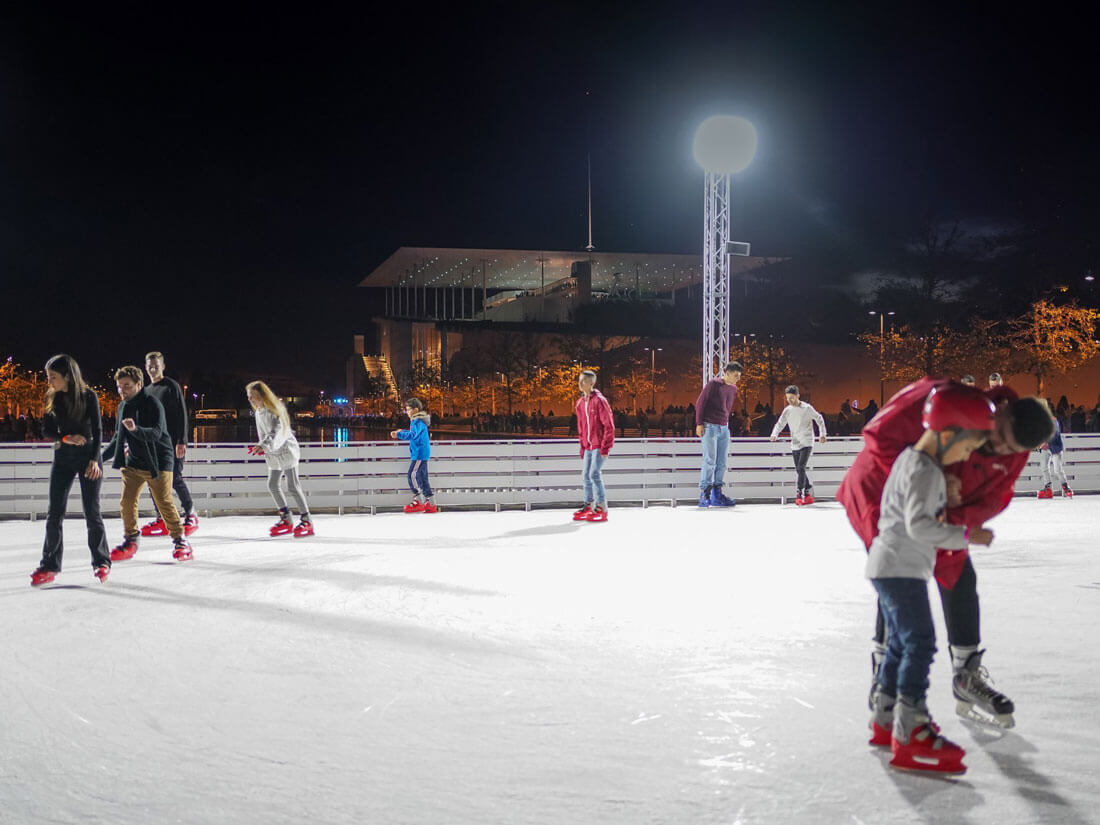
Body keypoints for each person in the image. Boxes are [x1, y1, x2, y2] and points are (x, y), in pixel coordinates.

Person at [838, 376, 1054, 730]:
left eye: (1011, 449)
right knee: (899, 578)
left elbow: (994, 498)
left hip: (941, 510)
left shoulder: (1013, 449)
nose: (999, 449)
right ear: (1001, 410)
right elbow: (878, 437)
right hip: (880, 492)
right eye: (999, 436)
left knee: (958, 574)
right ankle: (884, 678)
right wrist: (927, 482)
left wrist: (954, 520)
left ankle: (966, 673)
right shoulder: (941, 398)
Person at [867, 384, 996, 775]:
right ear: (947, 433)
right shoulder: (925, 470)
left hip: (890, 565)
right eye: (967, 445)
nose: (967, 455)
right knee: (920, 643)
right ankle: (911, 728)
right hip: (901, 567)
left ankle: (885, 716)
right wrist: (966, 536)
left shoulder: (912, 460)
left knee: (900, 644)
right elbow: (920, 526)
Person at [30, 354, 112, 586]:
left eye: (53, 377)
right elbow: (46, 430)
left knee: (91, 511)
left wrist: (95, 460)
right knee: (54, 512)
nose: (49, 381)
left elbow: (98, 430)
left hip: (88, 458)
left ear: (67, 376)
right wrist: (66, 437)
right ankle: (50, 564)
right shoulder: (52, 397)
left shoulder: (88, 396)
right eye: (48, 377)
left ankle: (101, 561)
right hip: (63, 459)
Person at [101, 366, 193, 562]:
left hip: (159, 461)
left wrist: (135, 430)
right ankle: (131, 540)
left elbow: (157, 433)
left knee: (164, 502)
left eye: (127, 386)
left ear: (139, 384)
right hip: (134, 462)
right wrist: (98, 460)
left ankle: (181, 541)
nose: (122, 390)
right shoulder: (122, 407)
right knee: (127, 501)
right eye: (119, 386)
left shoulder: (152, 403)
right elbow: (117, 439)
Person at [139, 352, 198, 538]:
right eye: (150, 365)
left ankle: (191, 513)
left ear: (163, 366)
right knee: (153, 480)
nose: (152, 368)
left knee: (174, 478)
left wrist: (182, 440)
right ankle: (162, 518)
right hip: (154, 445)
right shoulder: (146, 391)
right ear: (146, 367)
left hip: (172, 443)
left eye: (156, 365)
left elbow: (182, 414)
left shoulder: (171, 386)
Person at [247, 380, 314, 535]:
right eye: (249, 396)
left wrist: (264, 446)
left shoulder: (275, 410)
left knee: (293, 486)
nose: (250, 399)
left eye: (252, 396)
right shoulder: (258, 412)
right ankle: (286, 518)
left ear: (262, 396)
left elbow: (278, 433)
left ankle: (307, 520)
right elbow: (264, 435)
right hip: (274, 453)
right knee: (272, 484)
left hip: (286, 451)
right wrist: (261, 446)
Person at [769, 385, 827, 505]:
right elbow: (780, 423)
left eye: (792, 397)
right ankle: (808, 490)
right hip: (795, 442)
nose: (789, 400)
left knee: (801, 467)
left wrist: (822, 434)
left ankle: (800, 494)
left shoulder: (807, 408)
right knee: (799, 469)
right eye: (787, 398)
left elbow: (819, 419)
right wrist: (775, 434)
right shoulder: (787, 410)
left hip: (807, 441)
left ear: (798, 396)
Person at [695, 362, 742, 508]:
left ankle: (717, 493)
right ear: (727, 373)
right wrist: (699, 423)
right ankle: (705, 493)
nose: (738, 378)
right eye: (736, 375)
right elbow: (700, 403)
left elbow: (726, 407)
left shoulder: (733, 388)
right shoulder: (714, 384)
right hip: (709, 426)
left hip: (724, 428)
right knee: (709, 460)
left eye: (739, 375)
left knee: (722, 462)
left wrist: (726, 423)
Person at [573, 370, 615, 522]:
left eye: (583, 380)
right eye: (580, 380)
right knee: (586, 475)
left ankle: (602, 506)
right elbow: (581, 428)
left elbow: (609, 425)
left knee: (594, 474)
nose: (580, 383)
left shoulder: (599, 401)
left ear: (591, 383)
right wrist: (582, 447)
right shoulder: (580, 403)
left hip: (599, 445)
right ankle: (589, 504)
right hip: (588, 446)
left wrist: (605, 447)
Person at [390, 397, 437, 514]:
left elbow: (413, 435)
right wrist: (401, 431)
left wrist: (399, 434)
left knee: (411, 475)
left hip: (419, 454)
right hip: (422, 453)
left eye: (408, 409)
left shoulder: (417, 421)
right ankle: (431, 503)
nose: (407, 412)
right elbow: (414, 433)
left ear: (415, 409)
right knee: (422, 478)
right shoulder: (420, 421)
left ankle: (419, 500)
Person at [1037, 403, 1072, 498]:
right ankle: (1048, 488)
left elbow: (1055, 434)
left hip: (1055, 447)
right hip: (1045, 449)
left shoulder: (1053, 420)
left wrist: (1047, 443)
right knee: (1044, 467)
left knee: (1057, 469)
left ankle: (1065, 486)